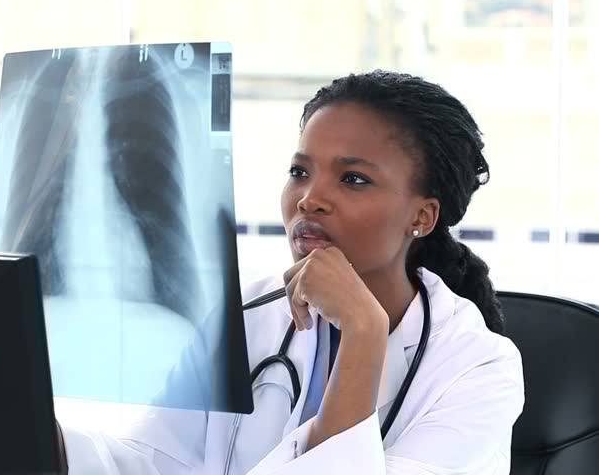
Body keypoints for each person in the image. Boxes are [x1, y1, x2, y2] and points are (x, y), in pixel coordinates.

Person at [57, 70, 525, 474]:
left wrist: (362, 332)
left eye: (353, 179)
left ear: (422, 216)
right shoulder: (247, 316)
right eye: (300, 172)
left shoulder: (478, 370)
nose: (309, 199)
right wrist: (45, 439)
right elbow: (152, 462)